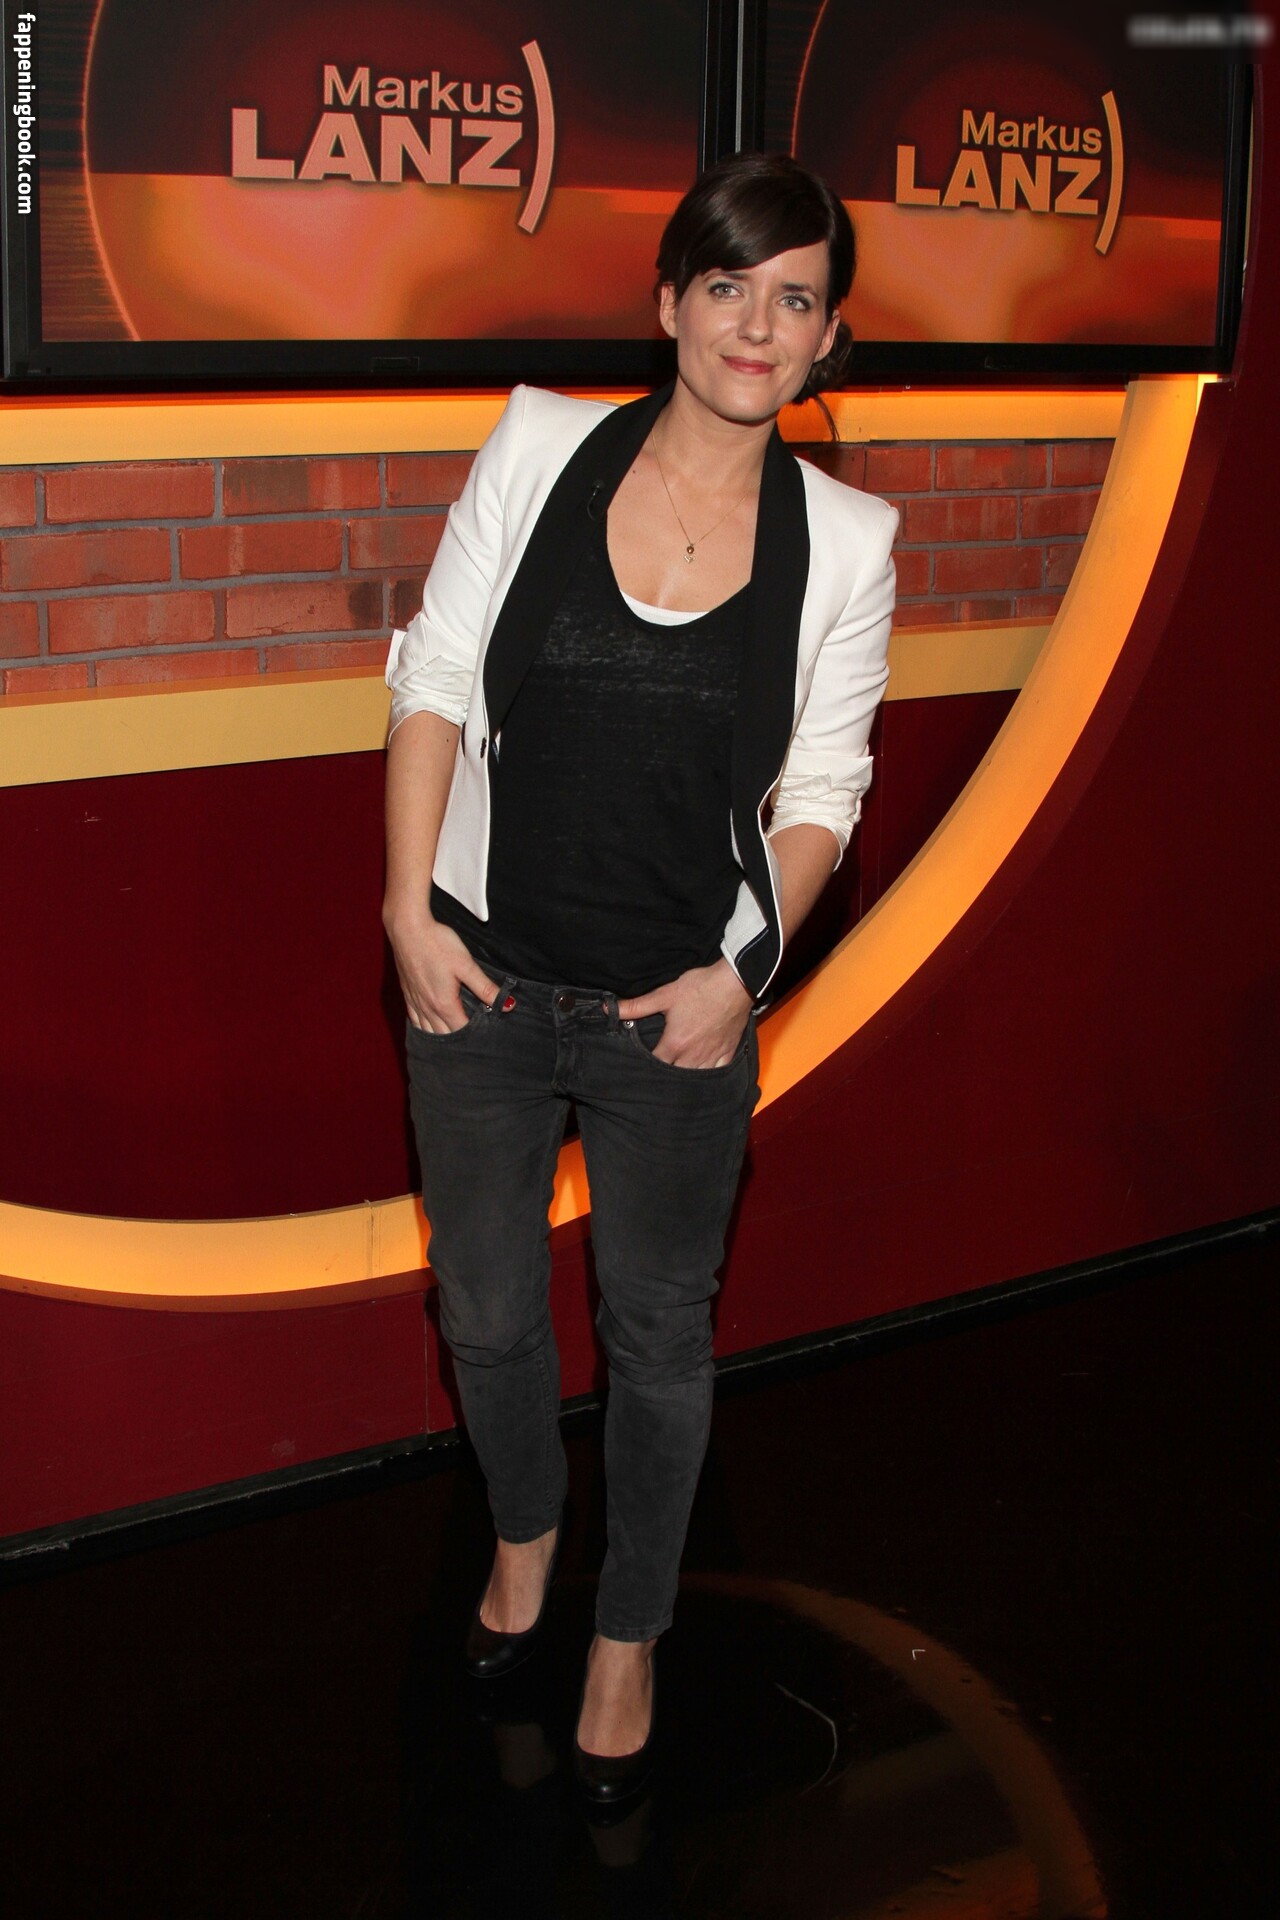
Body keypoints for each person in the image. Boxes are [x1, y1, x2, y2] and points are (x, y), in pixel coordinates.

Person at [382, 151, 897, 1802]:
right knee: (482, 1309)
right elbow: (434, 678)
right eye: (729, 285)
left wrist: (744, 975)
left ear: (828, 337)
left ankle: (628, 1630)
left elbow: (825, 793)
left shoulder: (849, 541)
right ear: (669, 300)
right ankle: (527, 1535)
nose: (757, 324)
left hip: (676, 1014)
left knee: (660, 1339)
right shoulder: (540, 447)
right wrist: (406, 910)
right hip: (479, 984)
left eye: (796, 299)